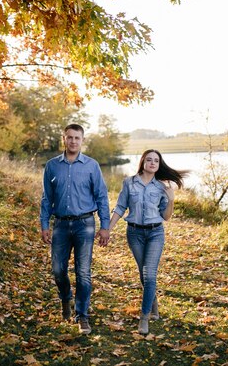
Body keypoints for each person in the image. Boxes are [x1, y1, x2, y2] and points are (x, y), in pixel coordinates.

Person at [40, 123, 111, 335]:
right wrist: (44, 225)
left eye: (76, 138)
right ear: (64, 139)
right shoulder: (52, 166)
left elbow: (101, 197)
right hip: (60, 224)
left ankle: (82, 315)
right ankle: (65, 299)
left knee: (83, 272)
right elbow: (47, 198)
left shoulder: (91, 166)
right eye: (69, 137)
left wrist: (105, 226)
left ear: (82, 140)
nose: (73, 141)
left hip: (85, 225)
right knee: (58, 270)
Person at [109, 149, 187, 335]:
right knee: (144, 276)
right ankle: (154, 305)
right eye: (149, 160)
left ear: (159, 165)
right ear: (143, 162)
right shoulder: (129, 183)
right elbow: (120, 207)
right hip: (134, 233)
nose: (152, 163)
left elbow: (166, 217)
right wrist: (107, 229)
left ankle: (144, 318)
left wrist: (171, 200)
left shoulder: (162, 187)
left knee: (150, 274)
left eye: (156, 161)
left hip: (155, 234)